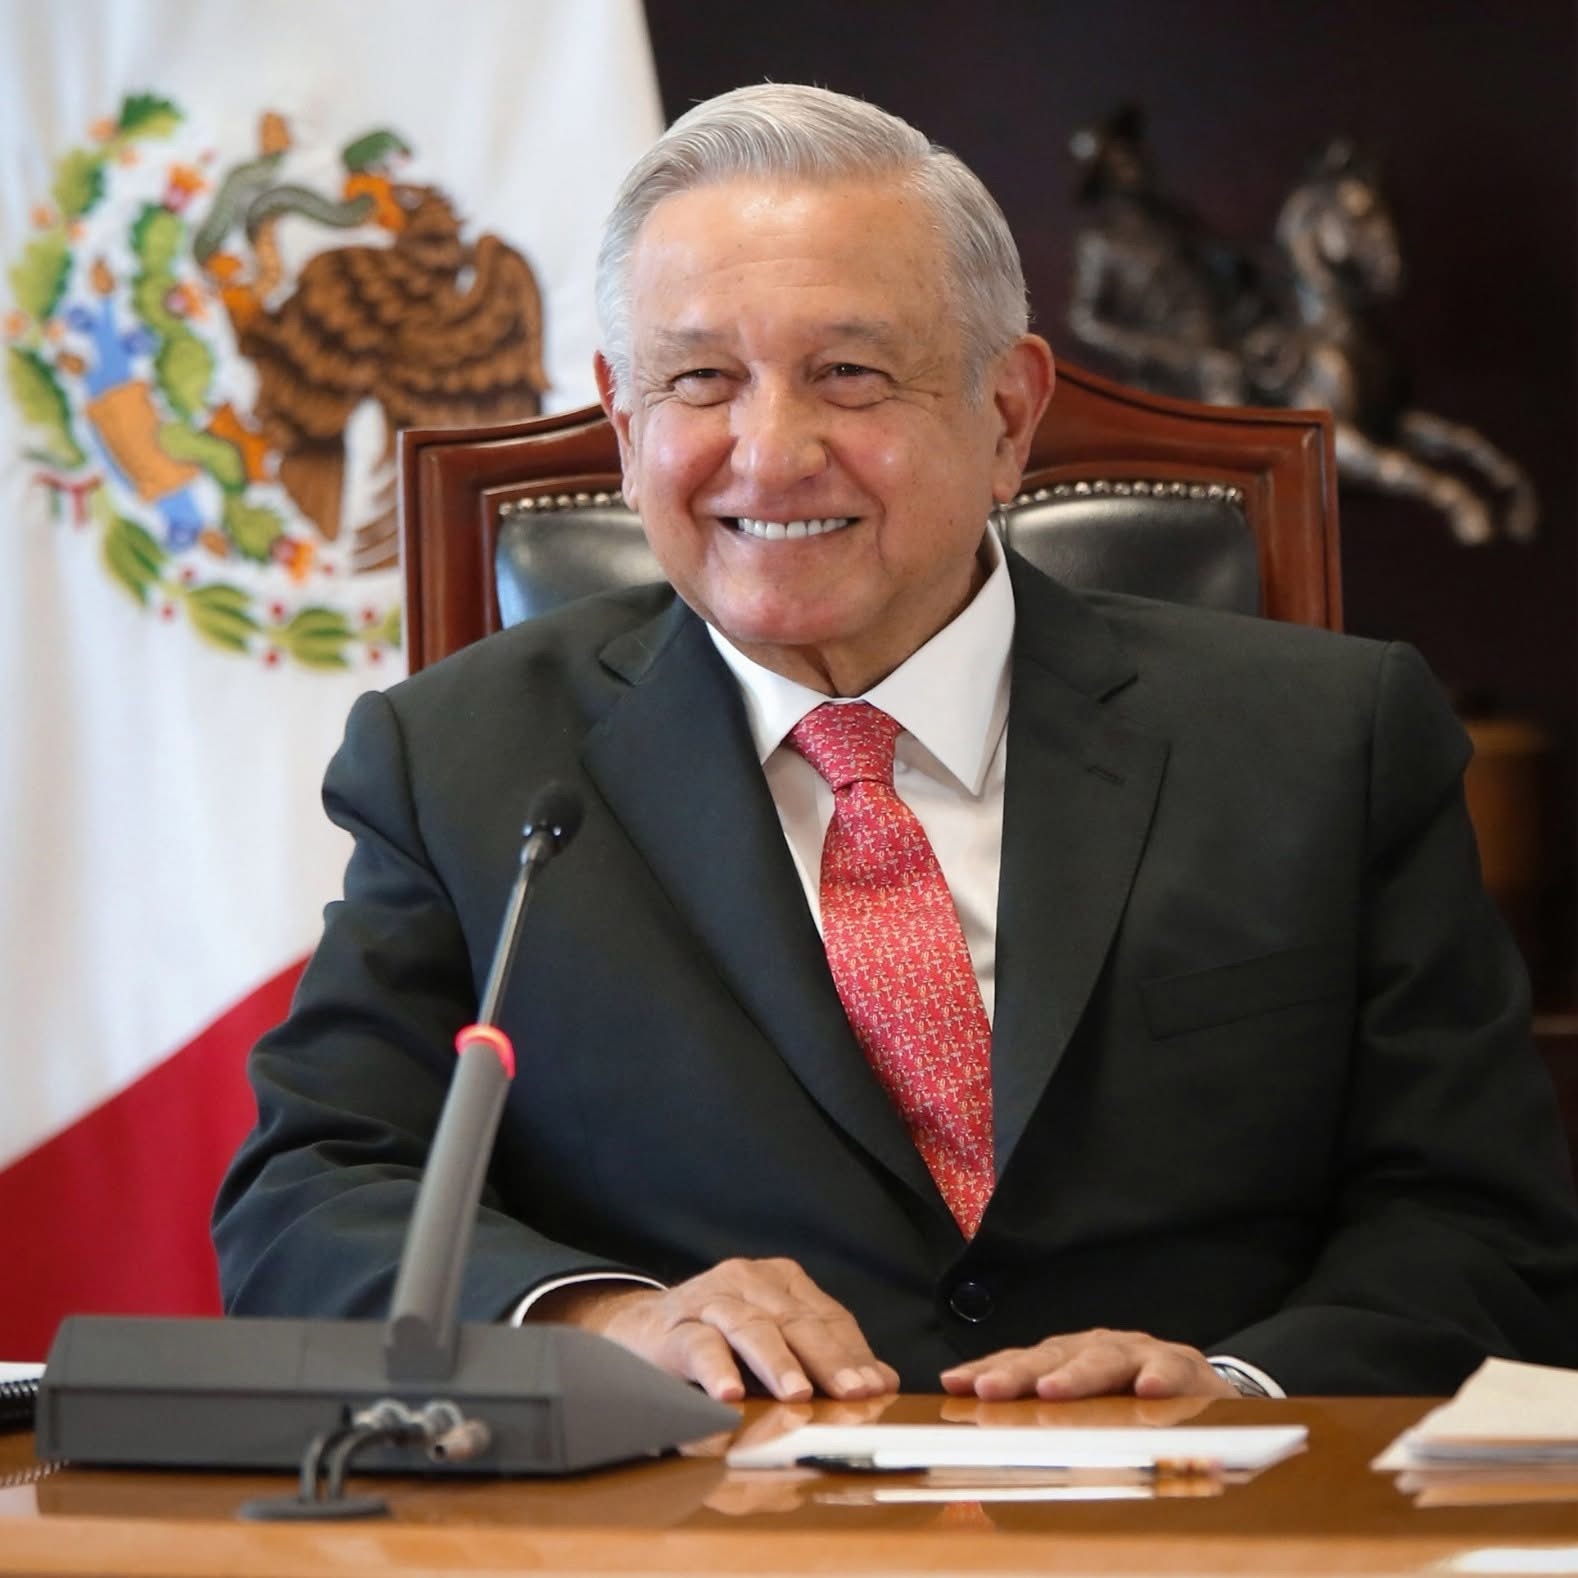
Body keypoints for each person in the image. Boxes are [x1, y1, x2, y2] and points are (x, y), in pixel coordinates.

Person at [213, 84, 1578, 1406]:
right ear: (625, 427)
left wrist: (1236, 1391)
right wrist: (609, 1318)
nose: (771, 452)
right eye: (700, 380)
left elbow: (1482, 1220)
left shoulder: (1327, 741)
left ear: (1007, 414)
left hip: (1203, 1507)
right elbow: (310, 1197)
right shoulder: (462, 761)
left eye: (849, 375)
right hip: (698, 1511)